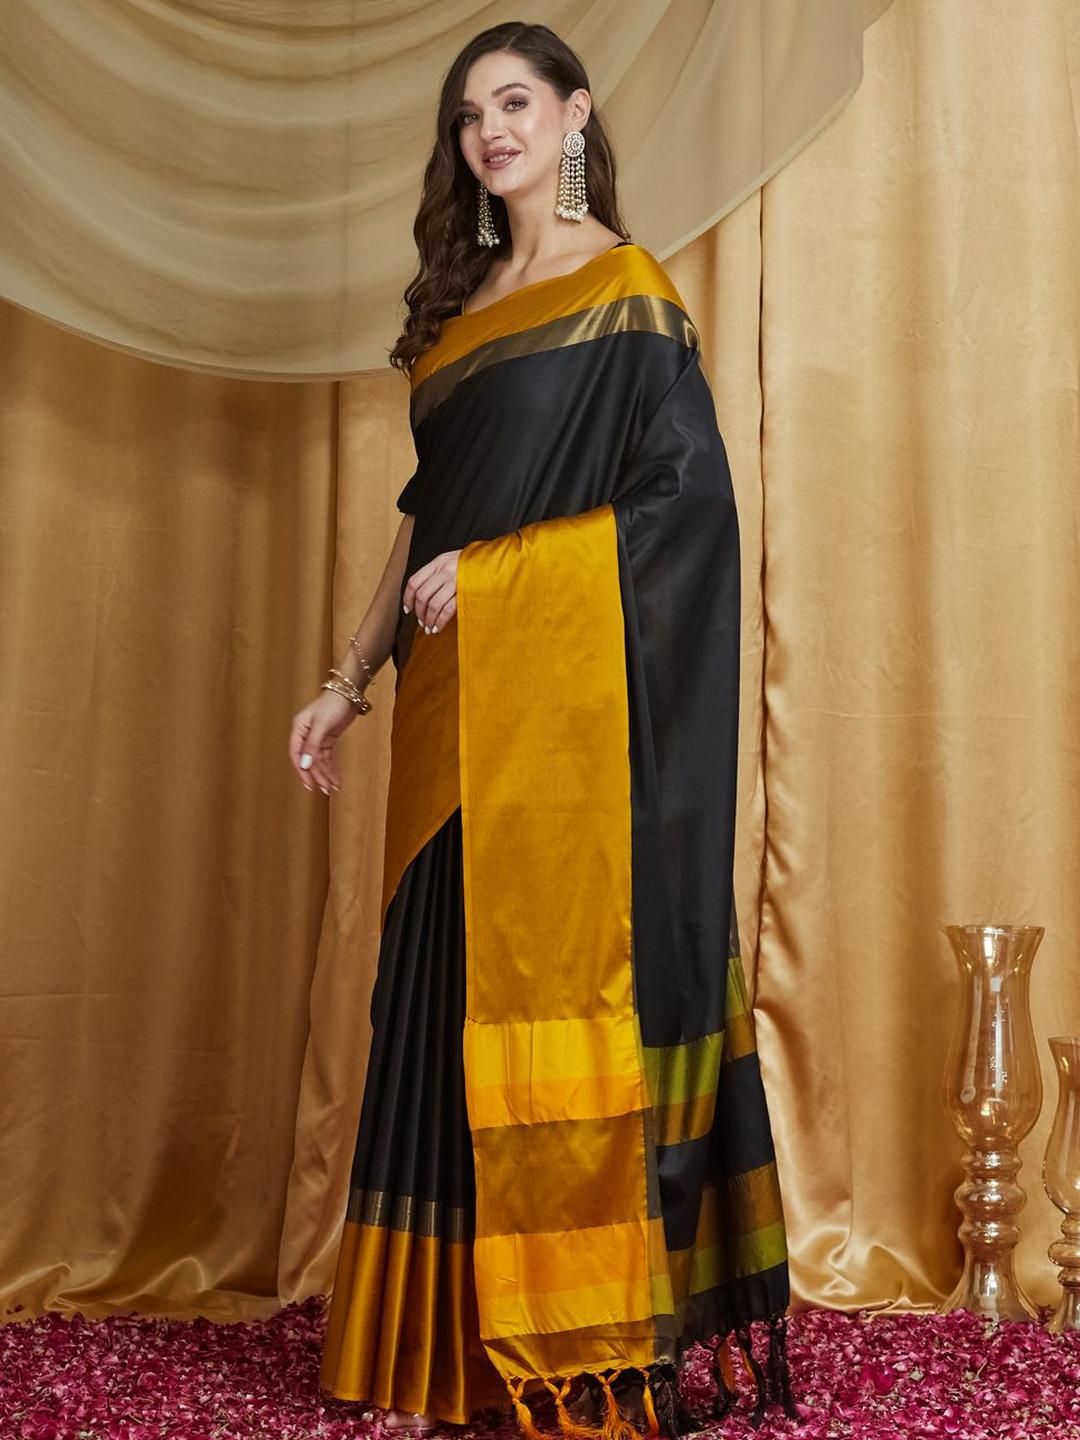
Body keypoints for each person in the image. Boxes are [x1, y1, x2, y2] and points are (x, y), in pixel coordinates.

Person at [289, 20, 795, 1439]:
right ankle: (437, 1352)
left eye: (514, 102)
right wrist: (347, 681)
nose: (490, 132)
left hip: (564, 733)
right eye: (469, 116)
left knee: (551, 1010)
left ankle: (574, 1342)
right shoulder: (456, 322)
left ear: (574, 117)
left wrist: (508, 575)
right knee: (439, 1007)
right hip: (452, 718)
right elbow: (423, 525)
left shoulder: (628, 293)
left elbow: (688, 516)